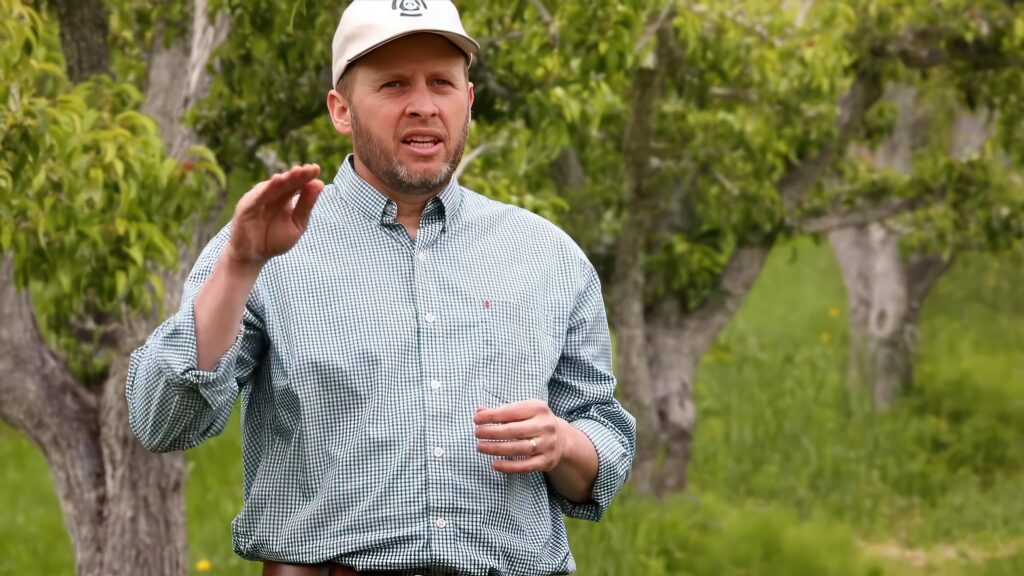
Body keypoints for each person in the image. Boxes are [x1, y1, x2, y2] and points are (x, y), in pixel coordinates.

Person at [126, 1, 636, 575]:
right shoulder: (265, 242)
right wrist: (240, 267)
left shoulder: (545, 255)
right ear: (341, 110)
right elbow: (162, 422)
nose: (423, 106)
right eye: (394, 84)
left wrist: (564, 443)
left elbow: (603, 440)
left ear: (467, 100)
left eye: (441, 83)